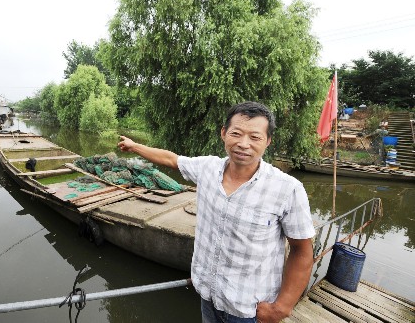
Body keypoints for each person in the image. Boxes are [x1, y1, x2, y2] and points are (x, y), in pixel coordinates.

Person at [118, 101, 315, 323]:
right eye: (236, 133)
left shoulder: (287, 189)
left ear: (268, 141)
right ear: (224, 133)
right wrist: (134, 146)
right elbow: (171, 159)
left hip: (249, 311)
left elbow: (302, 251)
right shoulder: (207, 169)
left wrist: (281, 308)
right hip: (208, 296)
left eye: (255, 137)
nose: (243, 144)